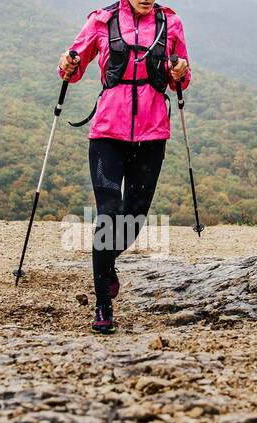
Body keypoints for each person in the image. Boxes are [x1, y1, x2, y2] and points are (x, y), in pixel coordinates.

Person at [59, 0, 191, 335]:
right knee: (110, 213)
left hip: (152, 134)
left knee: (133, 219)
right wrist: (68, 63)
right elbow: (71, 71)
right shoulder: (101, 20)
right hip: (107, 133)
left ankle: (106, 263)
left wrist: (180, 71)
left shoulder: (171, 23)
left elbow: (182, 78)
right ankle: (103, 303)